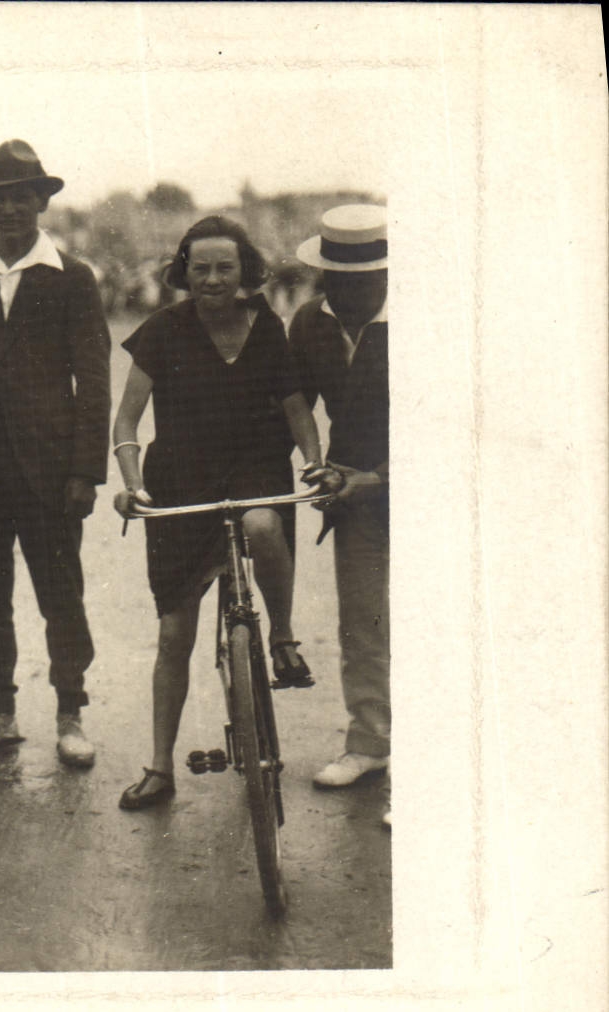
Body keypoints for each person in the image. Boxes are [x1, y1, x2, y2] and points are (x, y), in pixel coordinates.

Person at [111, 216, 326, 810]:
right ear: (184, 272)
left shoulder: (267, 325)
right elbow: (126, 420)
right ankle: (160, 768)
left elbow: (296, 409)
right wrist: (132, 484)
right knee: (174, 634)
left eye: (224, 267)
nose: (212, 279)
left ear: (244, 271)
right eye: (200, 268)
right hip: (180, 480)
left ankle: (281, 636)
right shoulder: (162, 330)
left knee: (262, 524)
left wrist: (313, 462)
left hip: (255, 466)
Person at [0, 140, 111, 767]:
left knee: (60, 594)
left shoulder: (72, 278)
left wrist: (85, 471)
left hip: (50, 471)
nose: (9, 209)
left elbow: (94, 380)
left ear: (42, 202)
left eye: (21, 197)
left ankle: (70, 714)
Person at [288, 204, 390, 826]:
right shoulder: (310, 321)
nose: (344, 292)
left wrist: (373, 480)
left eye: (359, 280)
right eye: (334, 279)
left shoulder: (426, 321)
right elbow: (294, 398)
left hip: (426, 489)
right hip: (353, 492)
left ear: (385, 275)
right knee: (362, 622)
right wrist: (318, 462)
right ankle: (370, 742)